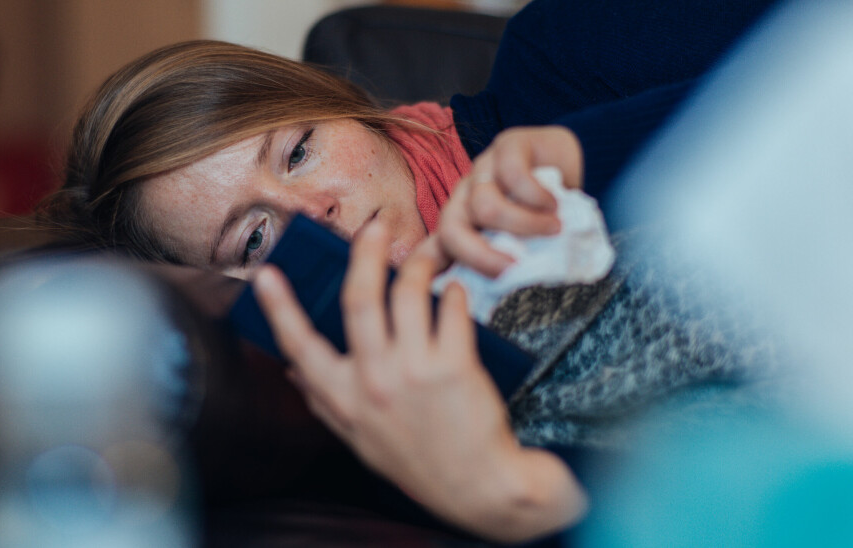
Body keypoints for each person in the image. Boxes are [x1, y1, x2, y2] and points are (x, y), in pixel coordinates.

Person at [41, 0, 781, 542]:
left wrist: (584, 152)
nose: (316, 210)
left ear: (351, 109)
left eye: (298, 152)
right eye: (257, 236)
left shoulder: (557, 56)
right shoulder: (387, 407)